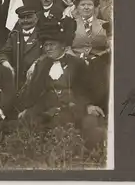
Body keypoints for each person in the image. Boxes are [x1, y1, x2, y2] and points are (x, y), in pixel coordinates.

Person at [17, 22, 106, 150]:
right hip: (46, 104)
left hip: (72, 104)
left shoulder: (77, 63)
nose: (48, 48)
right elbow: (33, 90)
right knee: (27, 123)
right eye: (46, 45)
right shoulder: (41, 65)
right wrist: (27, 108)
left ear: (63, 46)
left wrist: (88, 105)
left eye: (52, 45)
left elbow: (86, 90)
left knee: (79, 125)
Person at [69, 0, 110, 112]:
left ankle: (103, 109)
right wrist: (76, 60)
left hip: (100, 63)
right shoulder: (69, 25)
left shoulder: (105, 24)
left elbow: (110, 46)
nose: (86, 7)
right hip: (75, 62)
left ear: (95, 7)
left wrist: (98, 58)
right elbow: (65, 46)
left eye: (89, 5)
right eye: (82, 5)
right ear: (77, 8)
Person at [0, 6, 42, 92]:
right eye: (22, 18)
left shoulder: (42, 35)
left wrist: (36, 64)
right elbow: (4, 53)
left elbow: (48, 54)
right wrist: (6, 63)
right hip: (17, 80)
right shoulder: (14, 36)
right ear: (18, 21)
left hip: (38, 80)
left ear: (36, 19)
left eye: (29, 17)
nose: (25, 21)